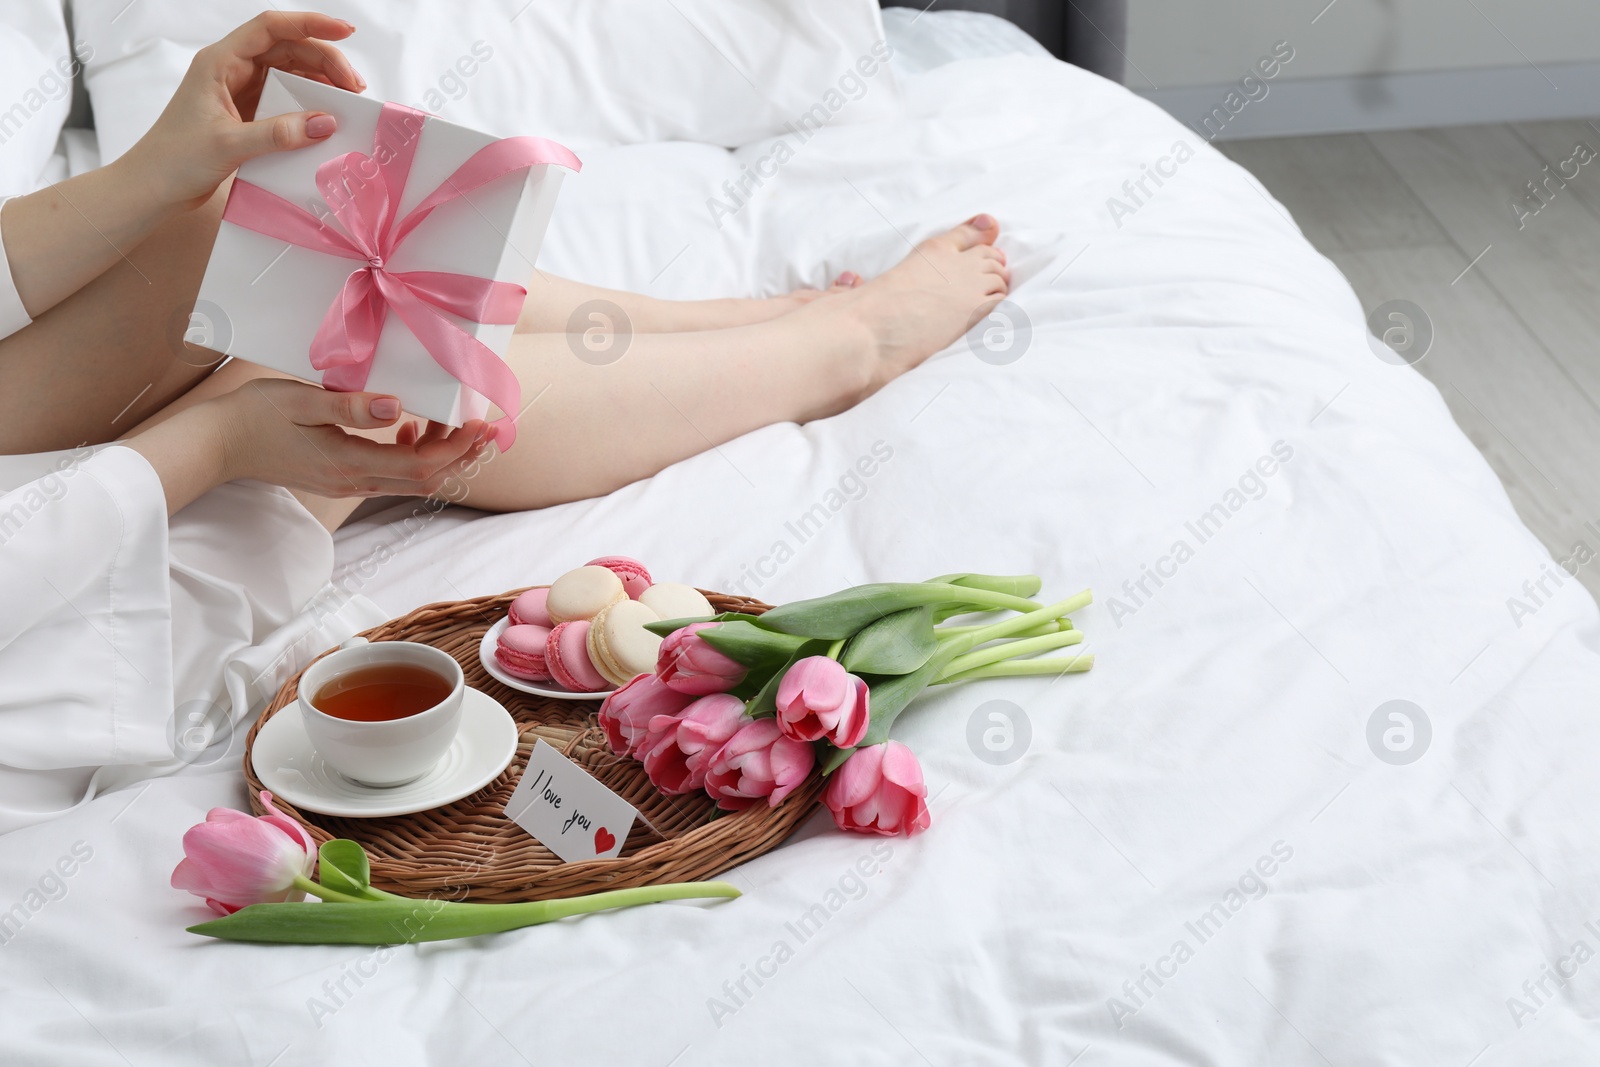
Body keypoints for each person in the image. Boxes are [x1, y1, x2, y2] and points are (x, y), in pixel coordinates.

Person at [0, 11, 1008, 830]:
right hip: (37, 606)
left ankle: (737, 321)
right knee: (344, 353)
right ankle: (837, 349)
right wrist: (217, 443)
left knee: (257, 230)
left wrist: (156, 170)